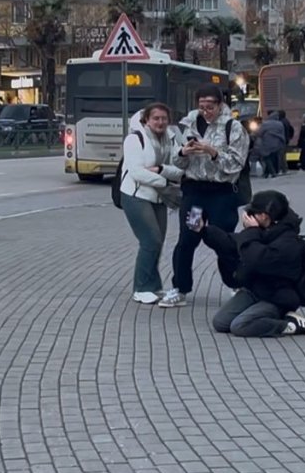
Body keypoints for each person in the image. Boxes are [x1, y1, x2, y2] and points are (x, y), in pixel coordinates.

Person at [160, 84, 250, 308]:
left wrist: (213, 152)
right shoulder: (188, 124)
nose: (205, 111)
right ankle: (180, 288)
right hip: (195, 193)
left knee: (223, 240)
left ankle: (236, 284)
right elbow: (176, 159)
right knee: (187, 239)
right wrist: (183, 152)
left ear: (220, 105)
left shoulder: (233, 127)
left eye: (210, 107)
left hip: (221, 193)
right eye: (201, 107)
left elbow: (236, 165)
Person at [193, 190, 305, 337]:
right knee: (220, 322)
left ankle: (288, 325)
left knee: (240, 326)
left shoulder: (288, 241)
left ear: (264, 216)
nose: (249, 217)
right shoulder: (265, 230)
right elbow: (233, 242)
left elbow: (256, 259)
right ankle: (265, 316)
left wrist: (251, 230)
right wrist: (203, 230)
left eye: (253, 213)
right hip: (255, 290)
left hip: (277, 297)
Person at [120, 103, 185, 305]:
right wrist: (165, 180)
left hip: (159, 197)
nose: (160, 122)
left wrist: (160, 169)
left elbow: (180, 170)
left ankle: (154, 286)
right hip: (136, 195)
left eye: (164, 118)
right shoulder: (134, 139)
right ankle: (140, 288)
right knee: (150, 240)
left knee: (158, 241)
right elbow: (137, 172)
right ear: (146, 120)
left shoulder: (171, 139)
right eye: (155, 118)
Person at [257, 112, 287, 178]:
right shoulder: (280, 124)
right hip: (278, 144)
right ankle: (267, 173)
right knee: (273, 158)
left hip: (267, 143)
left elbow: (260, 133)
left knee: (267, 158)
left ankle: (272, 172)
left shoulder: (265, 124)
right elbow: (283, 133)